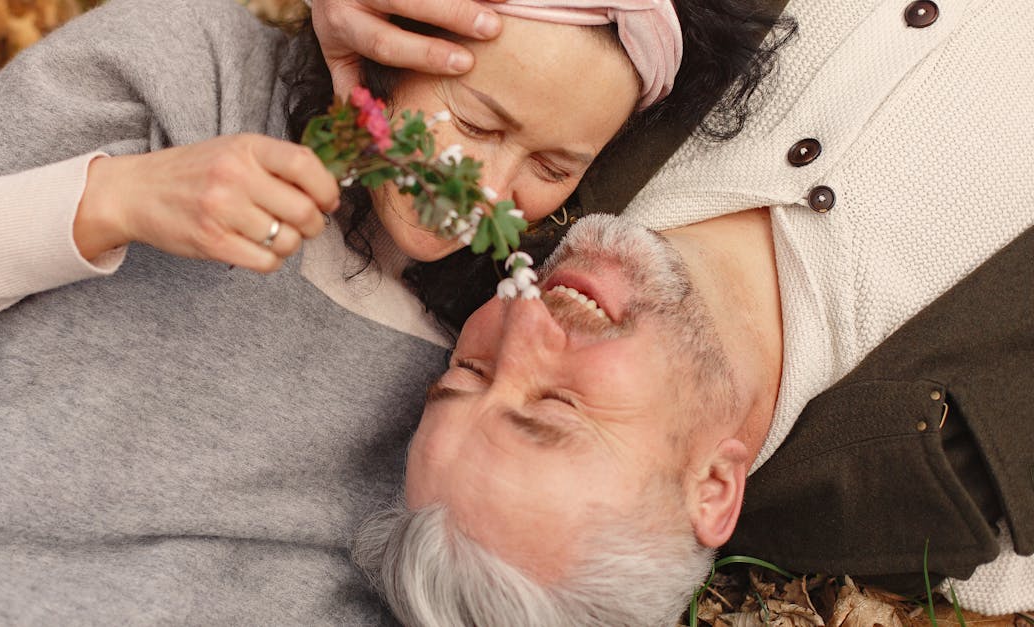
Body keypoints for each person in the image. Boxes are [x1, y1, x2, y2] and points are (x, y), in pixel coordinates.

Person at [0, 0, 786, 623]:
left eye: (551, 167)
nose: (489, 187)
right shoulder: (193, 75)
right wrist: (115, 200)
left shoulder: (479, 368)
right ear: (384, 46)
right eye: (477, 123)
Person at [352, 0, 1034, 623]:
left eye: (468, 370)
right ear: (711, 487)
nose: (522, 320)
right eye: (557, 406)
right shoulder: (973, 490)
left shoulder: (505, 155)